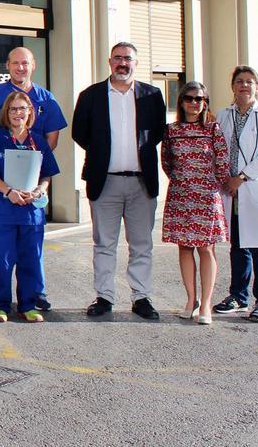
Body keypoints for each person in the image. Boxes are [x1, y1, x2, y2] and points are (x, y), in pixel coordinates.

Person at [71, 42, 166, 320]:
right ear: (109, 61)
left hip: (141, 182)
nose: (122, 63)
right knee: (104, 243)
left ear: (136, 62)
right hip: (105, 181)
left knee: (142, 245)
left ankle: (141, 297)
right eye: (118, 58)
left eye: (128, 58)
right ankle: (104, 297)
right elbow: (80, 132)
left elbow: (157, 133)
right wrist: (103, 152)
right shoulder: (91, 95)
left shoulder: (152, 95)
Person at [0, 46, 67, 311]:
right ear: (8, 66)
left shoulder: (45, 99)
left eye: (25, 63)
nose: (20, 68)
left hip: (32, 189)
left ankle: (33, 298)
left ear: (33, 65)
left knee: (31, 252)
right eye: (15, 63)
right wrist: (4, 171)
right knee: (2, 252)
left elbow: (50, 142)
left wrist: (35, 179)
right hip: (3, 185)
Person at [0, 92, 59, 322]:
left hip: (31, 212)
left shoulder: (39, 141)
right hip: (5, 211)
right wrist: (8, 192)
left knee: (30, 260)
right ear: (7, 113)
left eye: (22, 109)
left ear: (30, 112)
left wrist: (39, 190)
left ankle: (28, 305)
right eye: (13, 109)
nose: (17, 113)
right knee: (2, 260)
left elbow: (46, 175)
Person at [213, 66, 258, 323]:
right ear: (232, 86)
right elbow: (218, 149)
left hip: (255, 189)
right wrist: (226, 179)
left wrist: (240, 178)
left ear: (257, 87)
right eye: (240, 81)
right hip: (231, 192)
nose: (244, 85)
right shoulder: (223, 115)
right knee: (238, 246)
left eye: (250, 82)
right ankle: (238, 296)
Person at [160, 82, 228, 325]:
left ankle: (206, 303)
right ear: (181, 102)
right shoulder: (171, 130)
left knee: (206, 248)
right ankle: (191, 300)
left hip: (207, 196)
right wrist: (184, 181)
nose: (194, 103)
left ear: (205, 102)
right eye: (189, 98)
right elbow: (166, 162)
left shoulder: (212, 129)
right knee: (185, 247)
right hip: (181, 195)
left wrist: (207, 185)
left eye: (199, 99)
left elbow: (222, 162)